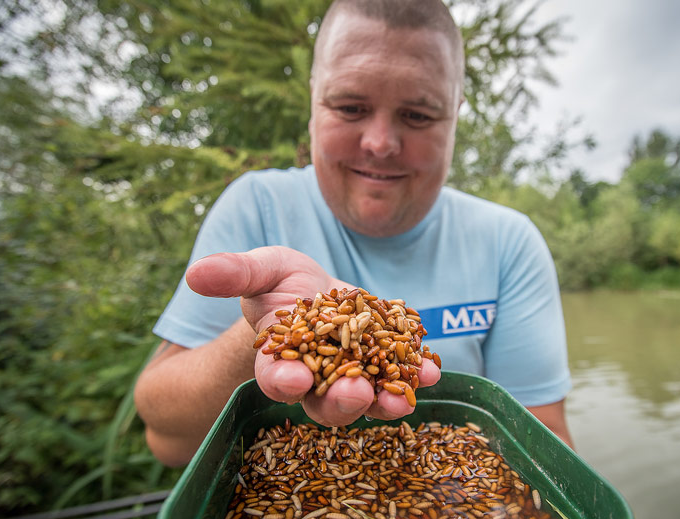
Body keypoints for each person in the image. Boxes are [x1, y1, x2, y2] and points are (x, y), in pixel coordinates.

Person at [134, 0, 574, 467]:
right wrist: (270, 335)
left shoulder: (509, 241)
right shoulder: (257, 206)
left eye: (418, 116)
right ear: (313, 100)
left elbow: (544, 443)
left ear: (455, 113)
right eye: (350, 107)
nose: (380, 143)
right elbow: (167, 443)